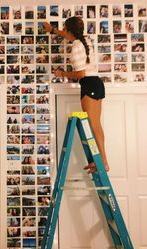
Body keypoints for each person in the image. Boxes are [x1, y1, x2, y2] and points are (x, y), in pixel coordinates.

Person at [43, 16, 109, 173]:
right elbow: (69, 35)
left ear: (70, 30)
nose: (63, 31)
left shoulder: (76, 47)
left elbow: (80, 73)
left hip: (88, 84)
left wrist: (62, 73)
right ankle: (100, 161)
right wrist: (52, 30)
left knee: (93, 125)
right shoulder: (83, 40)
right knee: (95, 125)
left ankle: (103, 163)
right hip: (96, 83)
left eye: (64, 28)